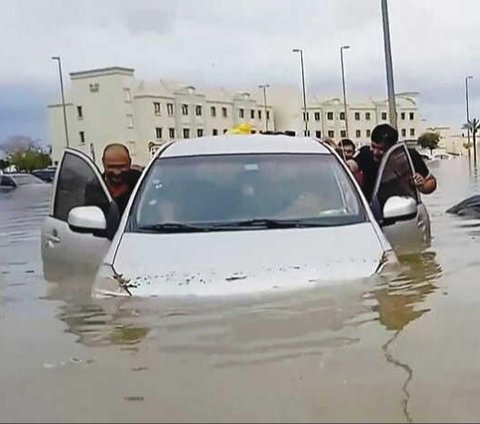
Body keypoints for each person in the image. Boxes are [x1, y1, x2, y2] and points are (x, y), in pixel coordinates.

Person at [347, 123, 437, 201]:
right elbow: (352, 165)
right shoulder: (365, 153)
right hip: (371, 211)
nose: (375, 152)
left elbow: (431, 182)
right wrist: (346, 165)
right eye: (373, 146)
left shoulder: (409, 156)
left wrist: (422, 185)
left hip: (403, 210)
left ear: (393, 148)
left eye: (381, 149)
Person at [100, 143, 142, 215]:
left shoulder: (143, 183)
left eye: (122, 166)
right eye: (111, 167)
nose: (117, 172)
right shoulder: (96, 188)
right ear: (103, 163)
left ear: (129, 163)